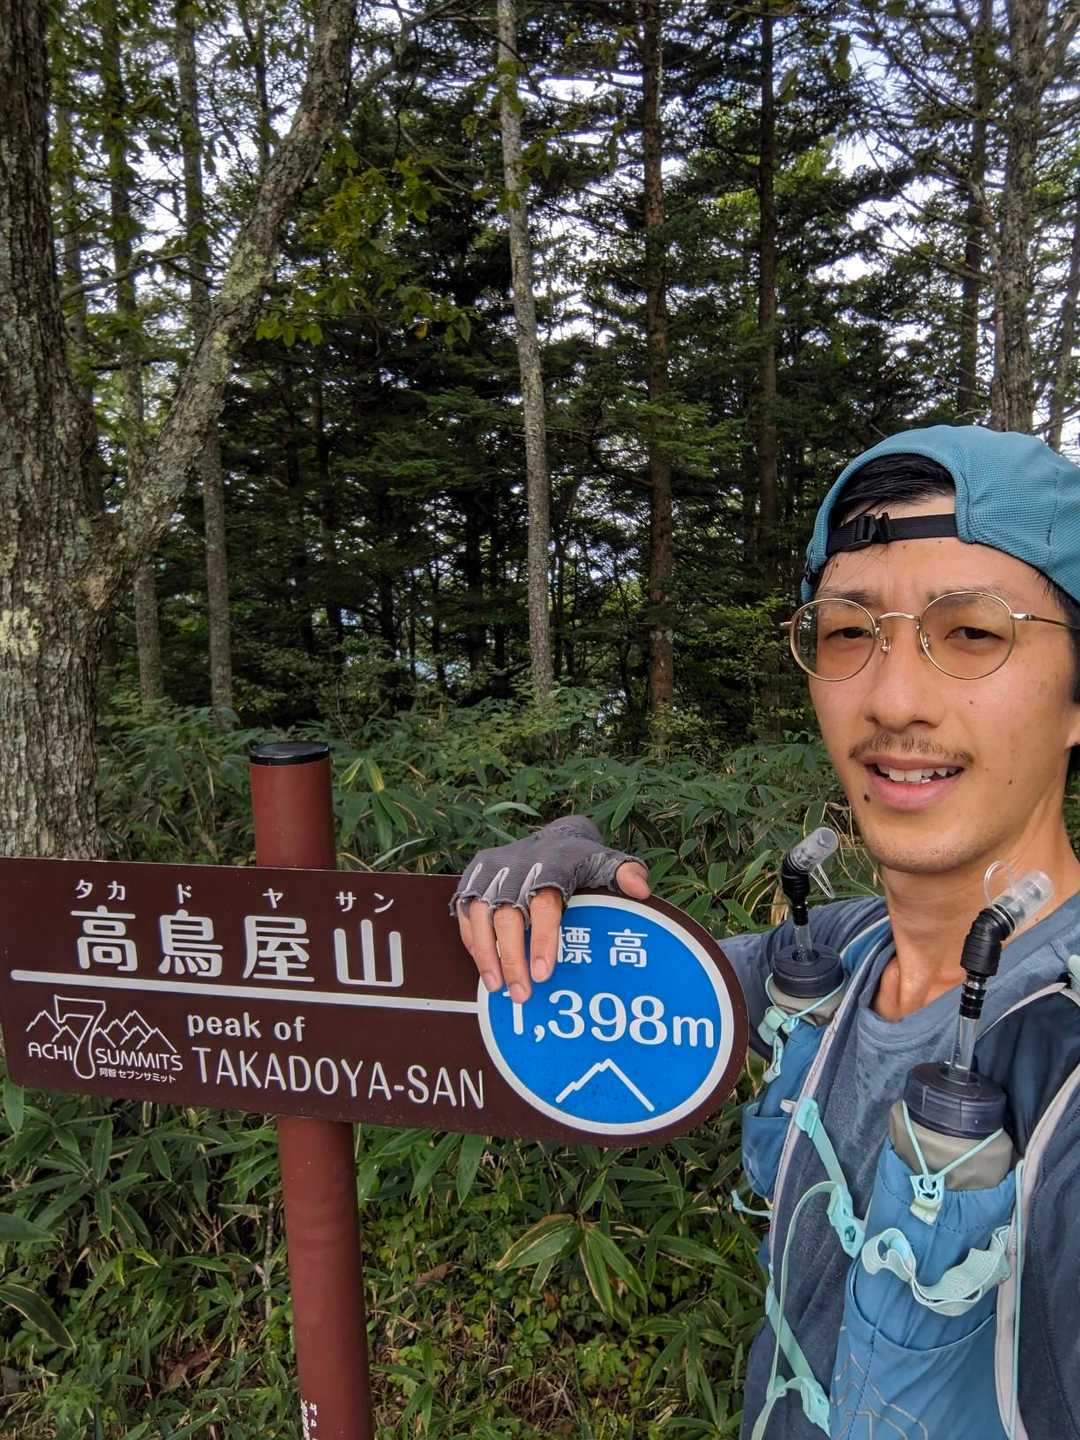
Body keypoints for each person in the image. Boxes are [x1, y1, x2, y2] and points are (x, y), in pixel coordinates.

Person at [451, 424, 1080, 1440]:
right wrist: (562, 901)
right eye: (848, 633)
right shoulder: (839, 956)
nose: (893, 699)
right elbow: (623, 997)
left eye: (972, 633)